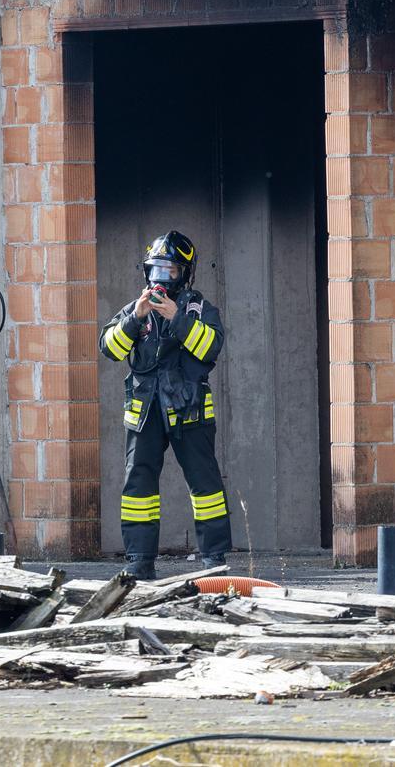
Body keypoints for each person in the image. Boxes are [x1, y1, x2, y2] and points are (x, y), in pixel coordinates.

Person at [99, 230, 231, 580]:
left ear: (184, 273)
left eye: (169, 271)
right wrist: (135, 318)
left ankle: (214, 560)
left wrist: (177, 318)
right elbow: (110, 348)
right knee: (138, 487)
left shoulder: (198, 308)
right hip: (145, 412)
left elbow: (210, 349)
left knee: (205, 485)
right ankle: (139, 561)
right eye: (155, 269)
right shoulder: (136, 309)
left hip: (188, 409)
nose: (161, 278)